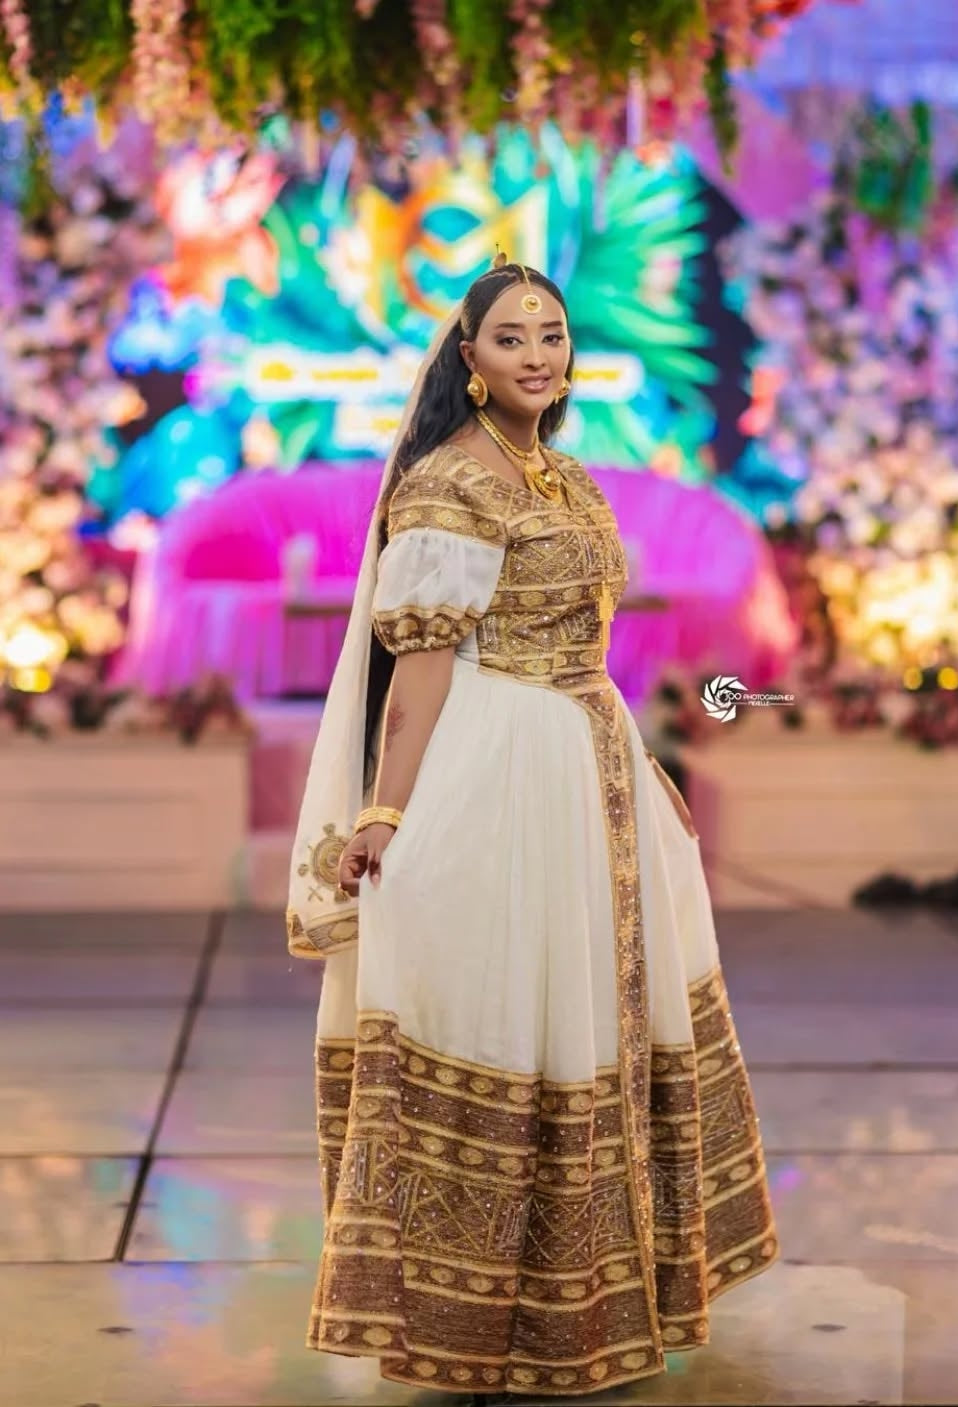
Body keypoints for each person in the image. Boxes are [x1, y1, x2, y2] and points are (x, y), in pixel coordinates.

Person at [286, 257, 778, 1402]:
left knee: (596, 1020)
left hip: (589, 755)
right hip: (499, 762)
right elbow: (414, 676)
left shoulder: (563, 475)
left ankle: (594, 1305)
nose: (539, 356)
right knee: (509, 1014)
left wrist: (639, 767)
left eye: (552, 335)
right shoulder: (451, 486)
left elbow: (597, 645)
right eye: (512, 338)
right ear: (470, 358)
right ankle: (477, 1321)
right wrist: (386, 810)